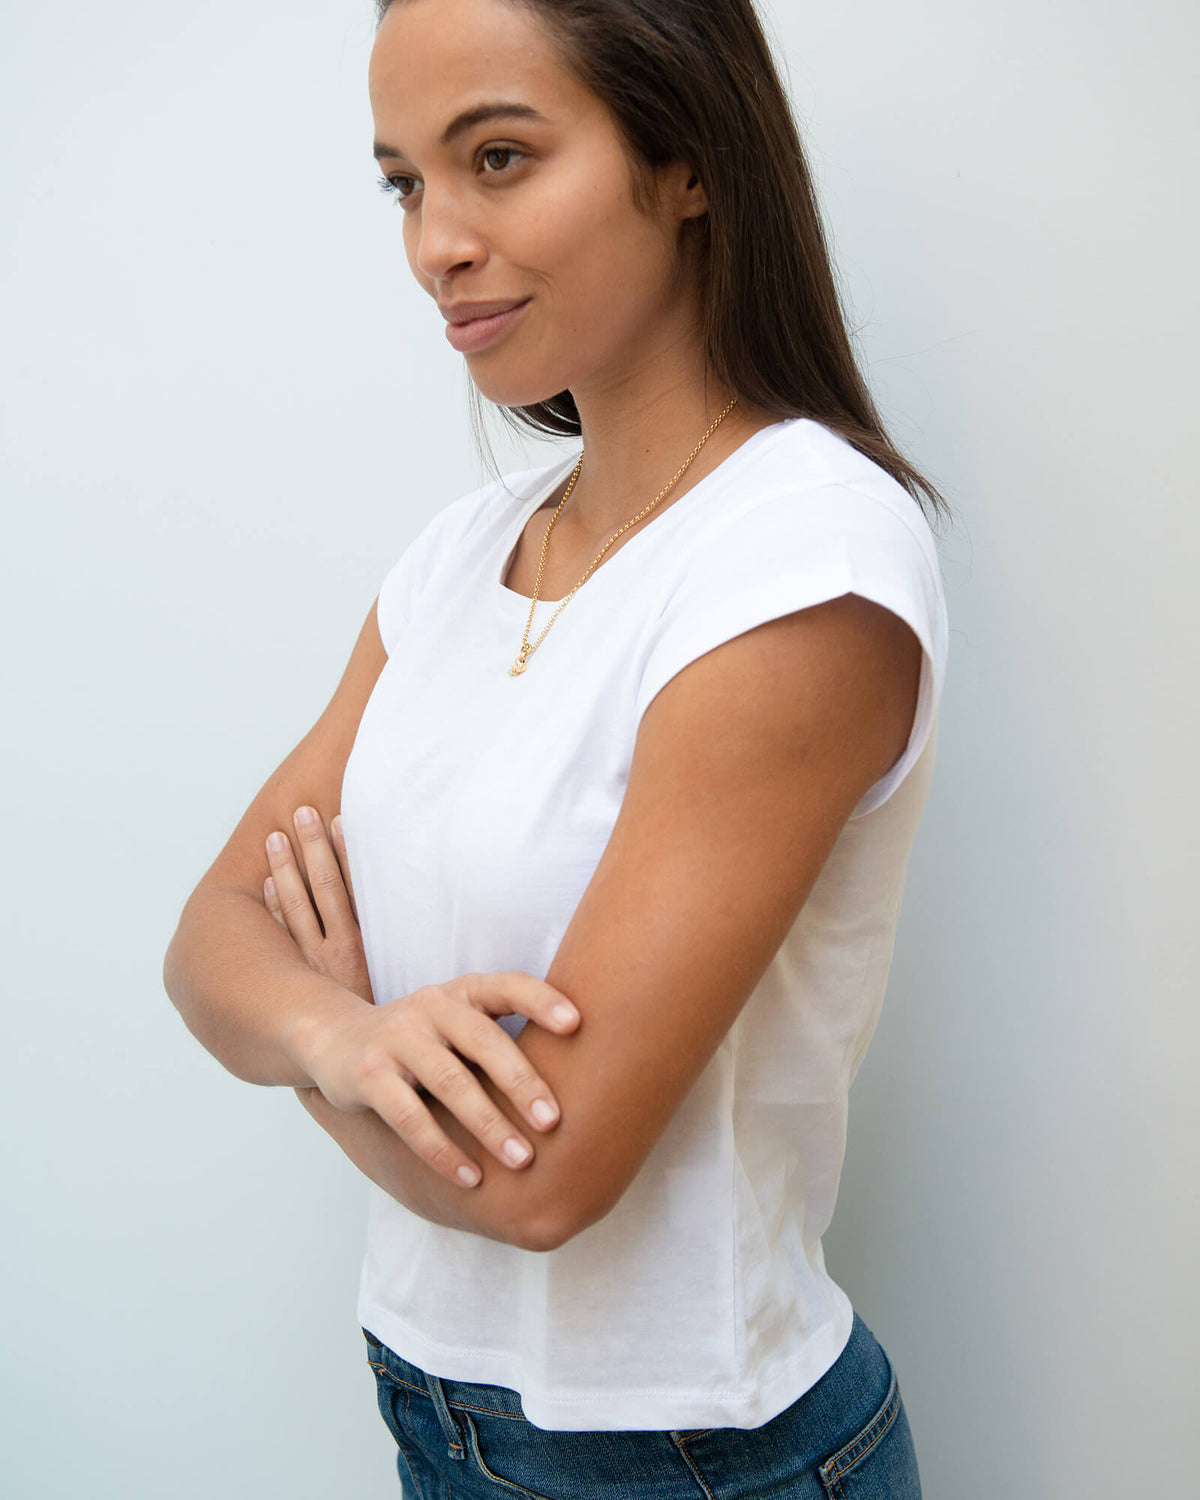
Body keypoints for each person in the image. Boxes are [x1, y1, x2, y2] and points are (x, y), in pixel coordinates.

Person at [163, 0, 952, 1494]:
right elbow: (211, 937)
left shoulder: (805, 554)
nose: (434, 244)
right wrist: (344, 1032)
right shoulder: (461, 556)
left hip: (686, 1453)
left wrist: (311, 1040)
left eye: (500, 157)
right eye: (405, 181)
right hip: (428, 1402)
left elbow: (545, 1179)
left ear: (689, 159)